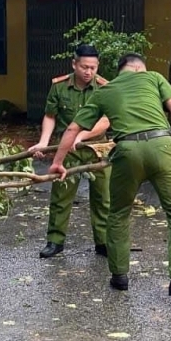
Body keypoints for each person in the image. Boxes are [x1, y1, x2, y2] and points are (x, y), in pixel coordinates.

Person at [48, 53, 171, 304]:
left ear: (120, 71)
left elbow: (73, 129)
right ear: (141, 69)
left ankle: (119, 275)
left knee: (118, 213)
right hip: (163, 146)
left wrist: (57, 163)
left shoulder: (104, 91)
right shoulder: (153, 78)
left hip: (126, 151)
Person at [27, 44, 112, 259]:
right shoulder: (59, 87)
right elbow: (50, 115)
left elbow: (106, 120)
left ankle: (103, 242)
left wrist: (82, 136)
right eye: (84, 67)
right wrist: (43, 142)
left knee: (103, 197)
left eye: (93, 67)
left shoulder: (105, 87)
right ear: (74, 64)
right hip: (68, 150)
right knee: (61, 195)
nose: (88, 72)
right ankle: (55, 241)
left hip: (97, 149)